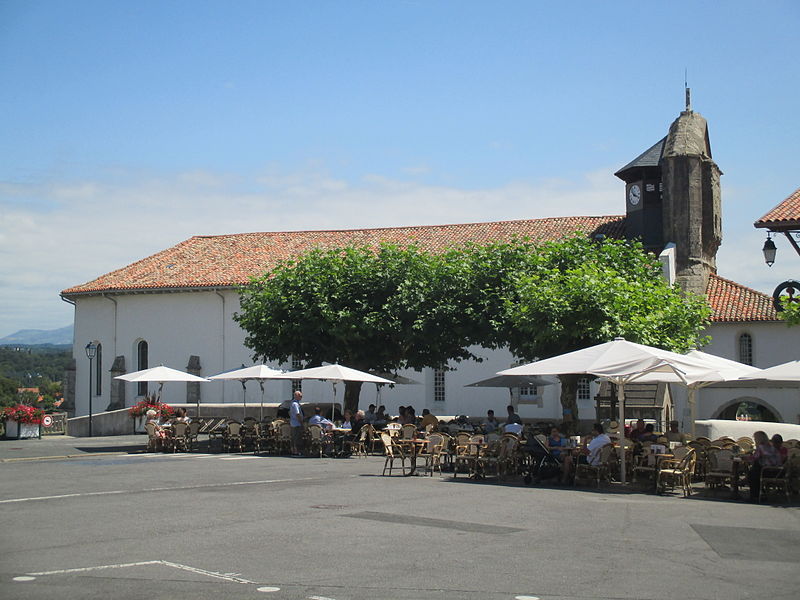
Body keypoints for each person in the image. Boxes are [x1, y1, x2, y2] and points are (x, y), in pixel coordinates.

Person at [746, 430, 781, 502]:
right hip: (777, 471)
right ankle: (761, 493)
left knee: (751, 473)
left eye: (755, 439)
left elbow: (754, 458)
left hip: (767, 470)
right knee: (754, 470)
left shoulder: (761, 447)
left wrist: (745, 457)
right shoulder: (771, 447)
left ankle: (754, 495)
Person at [289, 391, 305, 456]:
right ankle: (296, 451)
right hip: (296, 423)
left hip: (293, 422)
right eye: (300, 396)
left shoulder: (293, 403)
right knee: (296, 438)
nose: (301, 397)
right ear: (296, 396)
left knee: (293, 437)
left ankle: (293, 450)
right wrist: (301, 422)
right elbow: (297, 414)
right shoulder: (295, 404)